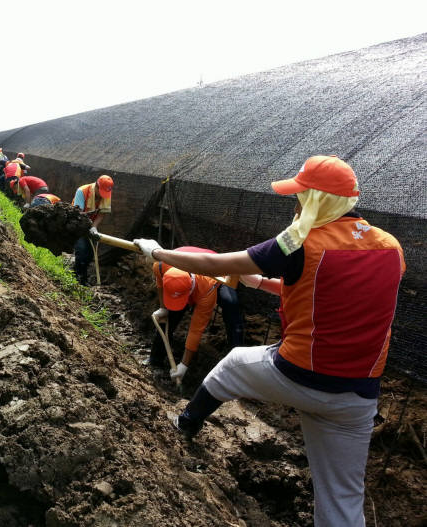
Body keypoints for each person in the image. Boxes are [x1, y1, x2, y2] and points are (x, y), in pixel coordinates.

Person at [134, 155, 405, 526]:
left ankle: (186, 423)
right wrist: (263, 282)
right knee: (342, 500)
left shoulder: (301, 242)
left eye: (300, 197)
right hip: (357, 397)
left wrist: (159, 253)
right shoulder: (390, 247)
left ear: (315, 202)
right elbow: (327, 293)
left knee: (230, 366)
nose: (295, 204)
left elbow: (218, 265)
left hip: (300, 373)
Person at [146, 247, 245, 380]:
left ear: (190, 290)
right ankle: (155, 361)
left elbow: (196, 330)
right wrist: (163, 307)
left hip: (217, 270)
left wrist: (184, 365)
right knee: (168, 317)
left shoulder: (207, 289)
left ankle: (235, 365)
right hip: (187, 263)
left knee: (231, 304)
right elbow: (159, 283)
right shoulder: (160, 265)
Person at [71, 175, 113, 285]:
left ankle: (83, 277)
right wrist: (87, 227)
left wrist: (94, 227)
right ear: (97, 187)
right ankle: (76, 277)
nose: (103, 196)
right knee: (81, 250)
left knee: (90, 253)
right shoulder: (82, 191)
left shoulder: (106, 194)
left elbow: (102, 213)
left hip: (90, 225)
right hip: (77, 223)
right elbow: (78, 213)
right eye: (102, 192)